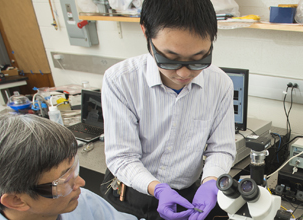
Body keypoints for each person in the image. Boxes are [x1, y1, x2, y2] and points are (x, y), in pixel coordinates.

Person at [100, 0, 236, 219]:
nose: (184, 73)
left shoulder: (220, 84)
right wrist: (158, 188)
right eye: (170, 59)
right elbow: (122, 157)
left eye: (199, 59)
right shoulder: (121, 80)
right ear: (146, 32)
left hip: (188, 193)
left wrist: (211, 181)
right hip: (132, 192)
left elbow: (221, 148)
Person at [0, 114, 139, 220]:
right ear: (16, 200)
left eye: (74, 169)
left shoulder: (81, 201)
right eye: (65, 180)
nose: (81, 182)